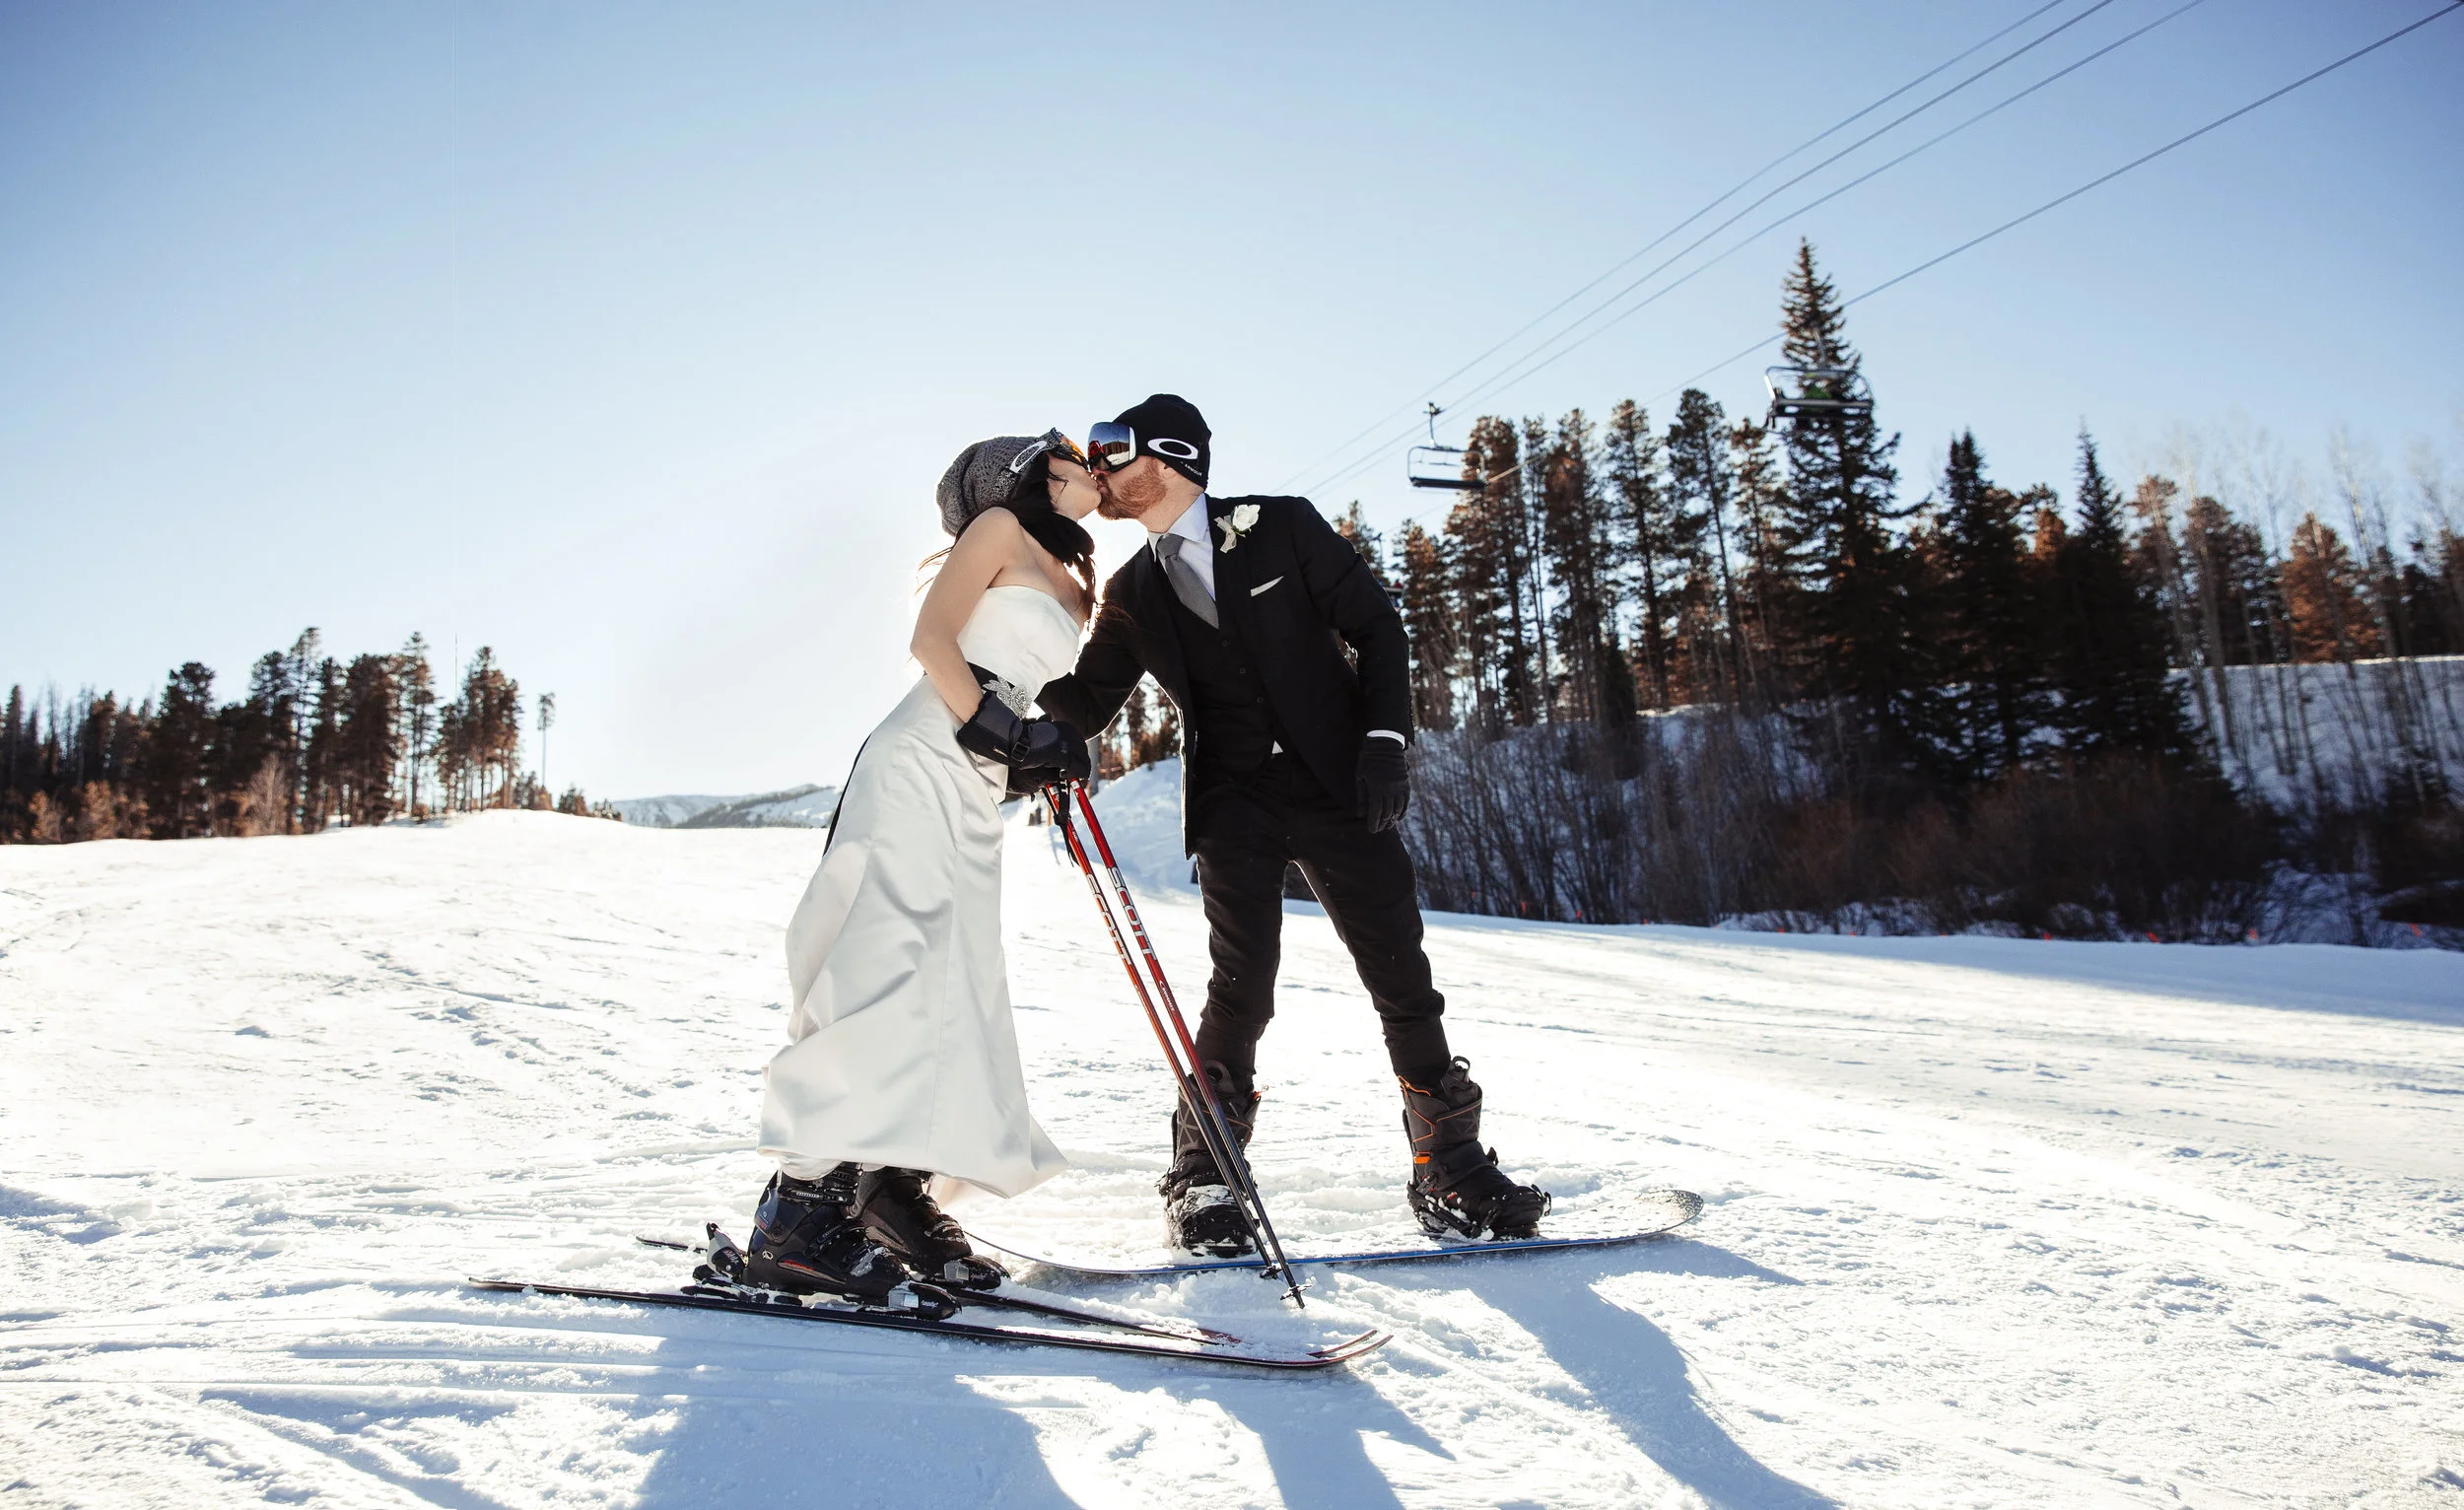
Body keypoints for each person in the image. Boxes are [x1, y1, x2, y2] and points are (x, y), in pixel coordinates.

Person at [1037, 394, 1549, 1255]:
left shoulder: (1280, 528)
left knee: (1400, 972)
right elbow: (1087, 701)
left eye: (1111, 453)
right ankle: (1205, 1176)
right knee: (1243, 984)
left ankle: (1449, 1169)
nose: (1099, 472)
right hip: (1235, 801)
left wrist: (1387, 741)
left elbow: (1377, 627)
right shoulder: (1131, 591)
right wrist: (1014, 716)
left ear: (1167, 460)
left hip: (1339, 785)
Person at [748, 431, 1098, 1300]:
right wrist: (999, 728)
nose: (1091, 457)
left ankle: (888, 1186)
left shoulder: (1077, 582)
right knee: (882, 965)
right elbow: (932, 640)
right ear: (1028, 472)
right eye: (1069, 449)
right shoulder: (999, 533)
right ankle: (797, 1211)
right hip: (923, 753)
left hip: (977, 784)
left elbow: (1024, 687)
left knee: (951, 980)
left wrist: (1040, 748)